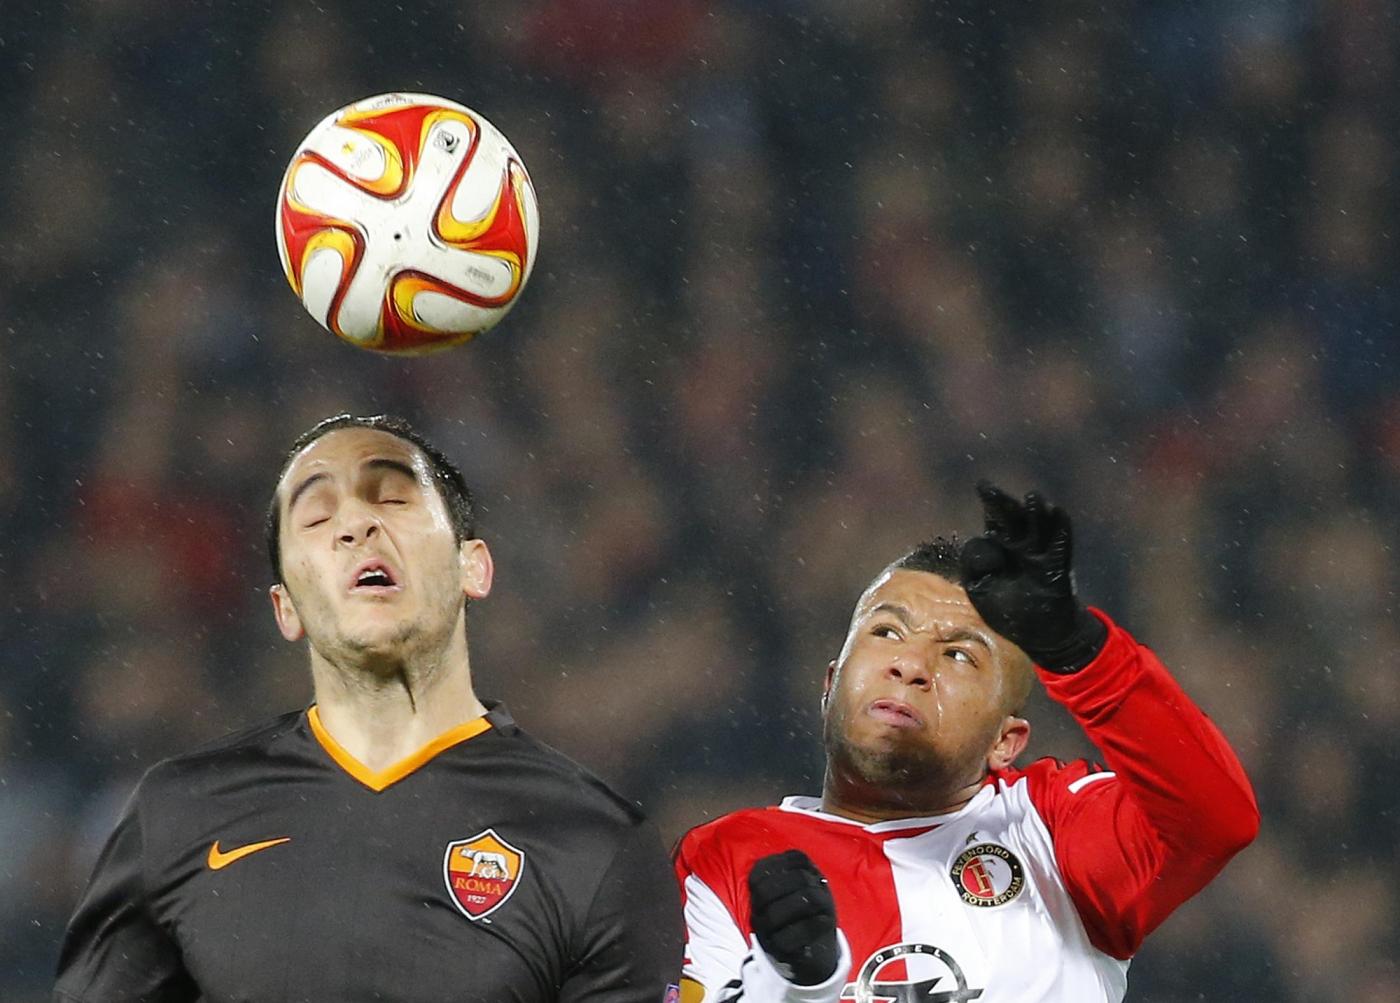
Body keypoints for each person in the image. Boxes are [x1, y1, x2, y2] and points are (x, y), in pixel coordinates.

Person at [54, 413, 683, 1003]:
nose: (355, 524)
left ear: (473, 567)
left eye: (393, 499)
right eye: (317, 516)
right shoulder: (177, 814)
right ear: (286, 609)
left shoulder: (594, 842)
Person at [674, 483, 1260, 1002]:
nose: (910, 665)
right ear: (830, 684)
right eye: (887, 631)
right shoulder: (731, 856)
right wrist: (794, 984)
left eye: (958, 655)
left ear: (1006, 742)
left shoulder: (1050, 827)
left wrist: (1076, 649)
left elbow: (1215, 821)